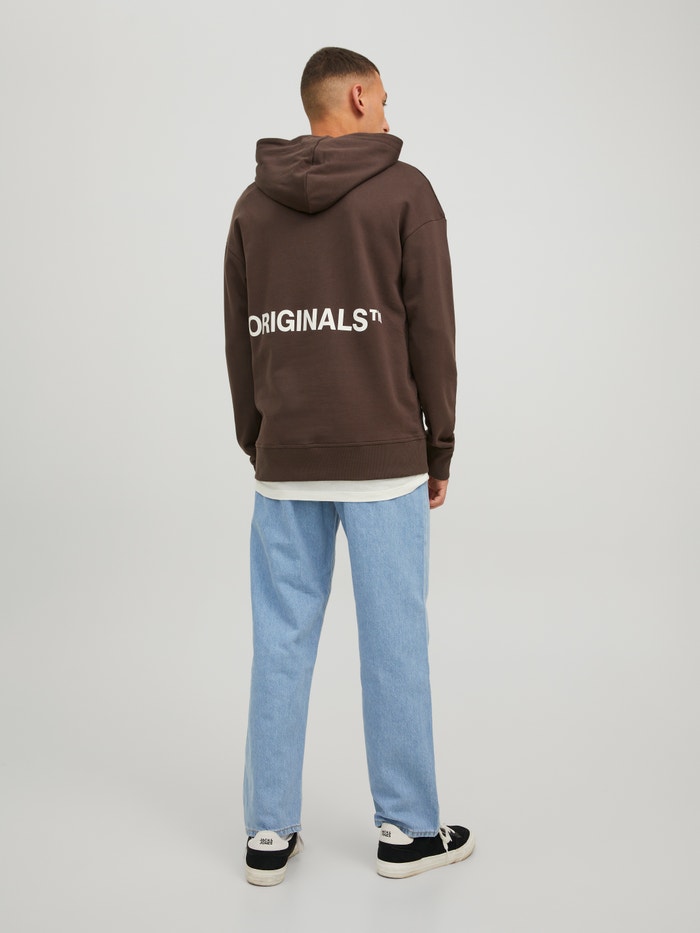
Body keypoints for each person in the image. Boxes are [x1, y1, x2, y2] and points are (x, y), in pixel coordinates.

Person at [223, 46, 474, 886]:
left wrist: (259, 439)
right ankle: (408, 830)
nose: (390, 113)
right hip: (384, 460)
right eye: (387, 98)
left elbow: (237, 336)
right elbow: (432, 329)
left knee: (280, 639)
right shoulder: (405, 192)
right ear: (360, 96)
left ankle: (267, 833)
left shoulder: (252, 205)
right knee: (394, 640)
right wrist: (439, 443)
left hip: (285, 460)